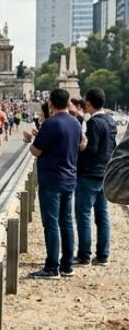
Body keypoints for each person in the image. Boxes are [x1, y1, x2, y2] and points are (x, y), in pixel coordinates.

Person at [24, 89, 84, 279]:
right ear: (67, 102)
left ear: (51, 103)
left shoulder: (51, 123)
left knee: (51, 224)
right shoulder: (75, 122)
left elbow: (36, 151)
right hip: (69, 178)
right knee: (66, 222)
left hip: (51, 179)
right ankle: (67, 265)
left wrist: (29, 140)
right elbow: (81, 145)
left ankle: (52, 266)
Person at [75, 88, 115, 266]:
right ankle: (102, 255)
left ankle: (84, 255)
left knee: (83, 215)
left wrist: (81, 146)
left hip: (90, 173)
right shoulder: (111, 121)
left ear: (89, 104)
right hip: (105, 173)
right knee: (103, 215)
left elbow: (91, 149)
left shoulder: (93, 123)